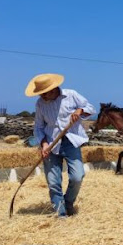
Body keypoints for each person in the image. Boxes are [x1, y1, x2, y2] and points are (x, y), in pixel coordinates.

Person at [25, 73, 95, 217]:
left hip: (71, 141)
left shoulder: (71, 95)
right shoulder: (40, 104)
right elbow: (38, 127)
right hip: (50, 144)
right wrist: (44, 144)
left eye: (44, 93)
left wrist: (79, 110)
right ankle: (60, 212)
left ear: (54, 88)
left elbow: (90, 107)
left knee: (77, 176)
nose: (42, 96)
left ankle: (68, 202)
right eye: (40, 94)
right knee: (53, 182)